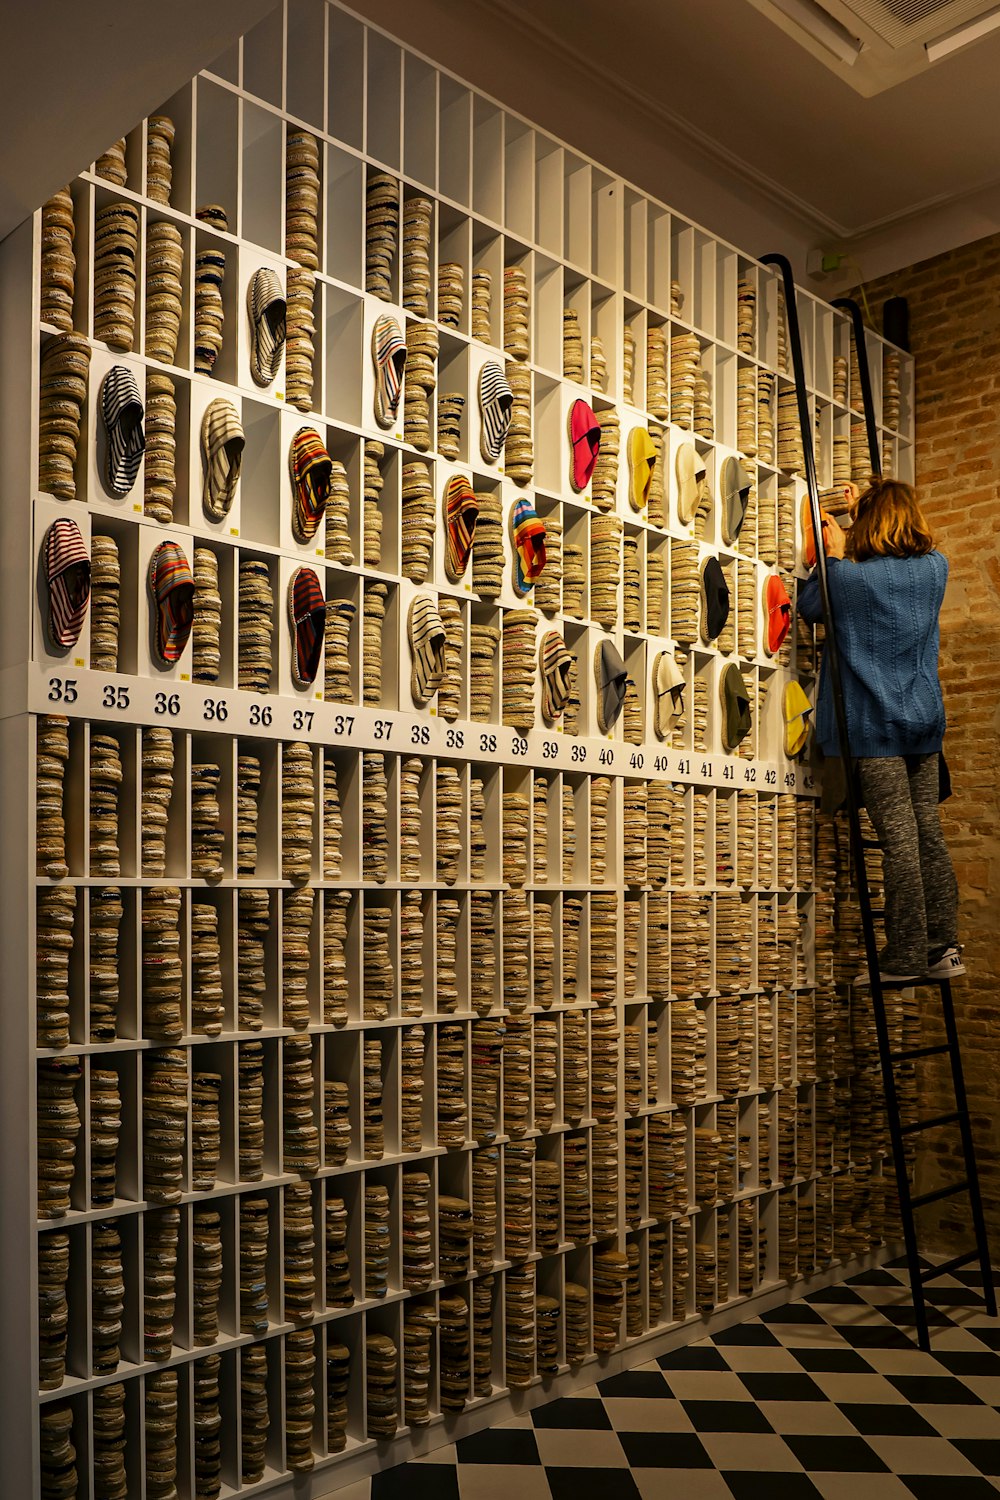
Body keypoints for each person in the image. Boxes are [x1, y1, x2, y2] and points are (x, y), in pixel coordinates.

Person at [797, 477, 962, 985]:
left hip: (875, 727)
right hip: (924, 722)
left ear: (869, 522)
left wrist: (837, 551)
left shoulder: (847, 580)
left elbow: (809, 605)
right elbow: (893, 568)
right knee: (928, 836)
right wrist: (862, 511)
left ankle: (905, 956)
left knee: (898, 841)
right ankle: (944, 948)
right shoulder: (936, 569)